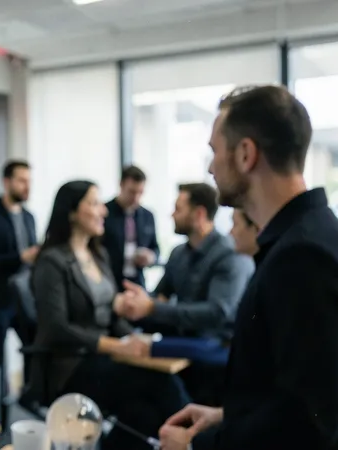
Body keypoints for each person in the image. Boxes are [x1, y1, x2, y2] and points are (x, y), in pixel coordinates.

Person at [158, 85, 338, 450]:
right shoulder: (306, 235)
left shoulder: (300, 256)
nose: (210, 167)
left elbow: (310, 424)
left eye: (214, 151)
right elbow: (294, 390)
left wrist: (197, 447)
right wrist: (228, 416)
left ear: (245, 154)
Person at [31, 180, 190, 450]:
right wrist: (116, 345)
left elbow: (112, 314)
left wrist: (135, 340)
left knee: (144, 415)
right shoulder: (52, 261)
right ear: (71, 212)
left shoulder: (99, 255)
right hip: (71, 365)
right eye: (93, 203)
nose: (103, 210)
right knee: (164, 383)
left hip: (104, 357)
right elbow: (56, 327)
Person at [115, 183, 253, 343]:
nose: (172, 215)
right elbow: (161, 296)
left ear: (199, 214)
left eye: (178, 209)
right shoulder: (178, 253)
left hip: (215, 342)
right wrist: (135, 300)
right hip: (182, 336)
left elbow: (217, 312)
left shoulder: (230, 255)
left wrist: (152, 307)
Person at [0, 160, 39, 399]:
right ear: (7, 182)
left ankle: (28, 398)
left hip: (23, 299)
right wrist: (22, 256)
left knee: (36, 348)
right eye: (22, 181)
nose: (26, 186)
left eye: (29, 181)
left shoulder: (30, 217)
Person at [102, 165, 159, 291]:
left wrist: (150, 257)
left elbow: (155, 248)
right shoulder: (104, 213)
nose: (136, 198)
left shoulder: (147, 216)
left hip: (137, 281)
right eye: (132, 192)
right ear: (121, 185)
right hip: (109, 280)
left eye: (140, 192)